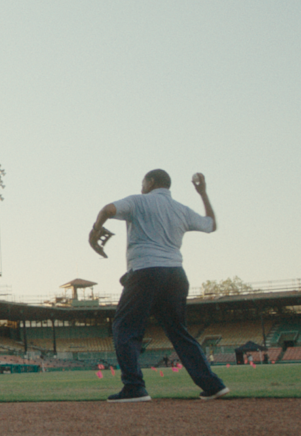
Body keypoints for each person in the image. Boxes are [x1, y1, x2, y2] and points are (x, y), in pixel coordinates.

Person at [88, 169, 229, 403]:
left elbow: (107, 210)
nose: (141, 186)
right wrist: (203, 194)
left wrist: (95, 232)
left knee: (125, 329)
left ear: (150, 182)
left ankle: (134, 387)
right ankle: (213, 385)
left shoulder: (138, 201)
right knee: (179, 332)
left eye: (143, 182)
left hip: (145, 271)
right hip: (176, 274)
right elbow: (211, 224)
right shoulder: (180, 209)